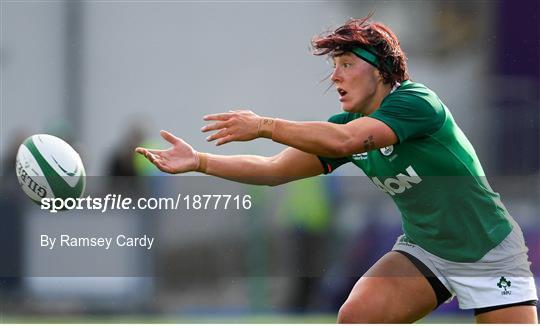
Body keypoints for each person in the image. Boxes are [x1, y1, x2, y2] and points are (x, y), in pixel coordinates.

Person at [136, 15, 538, 323]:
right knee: (355, 317)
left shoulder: (418, 103)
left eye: (346, 64)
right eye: (334, 66)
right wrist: (200, 162)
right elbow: (275, 169)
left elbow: (345, 143)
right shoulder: (345, 128)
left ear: (380, 70)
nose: (335, 76)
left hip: (487, 250)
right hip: (426, 251)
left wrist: (264, 125)